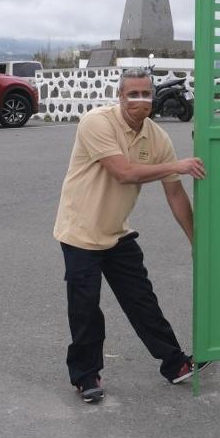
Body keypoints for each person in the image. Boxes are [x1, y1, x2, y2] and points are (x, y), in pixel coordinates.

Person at [53, 66, 207, 404]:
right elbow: (123, 173)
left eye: (145, 93)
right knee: (86, 306)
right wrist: (175, 166)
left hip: (117, 230)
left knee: (141, 299)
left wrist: (196, 240)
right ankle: (85, 375)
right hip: (80, 230)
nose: (140, 100)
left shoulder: (156, 137)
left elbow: (175, 194)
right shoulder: (97, 122)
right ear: (120, 97)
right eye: (132, 94)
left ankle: (175, 363)